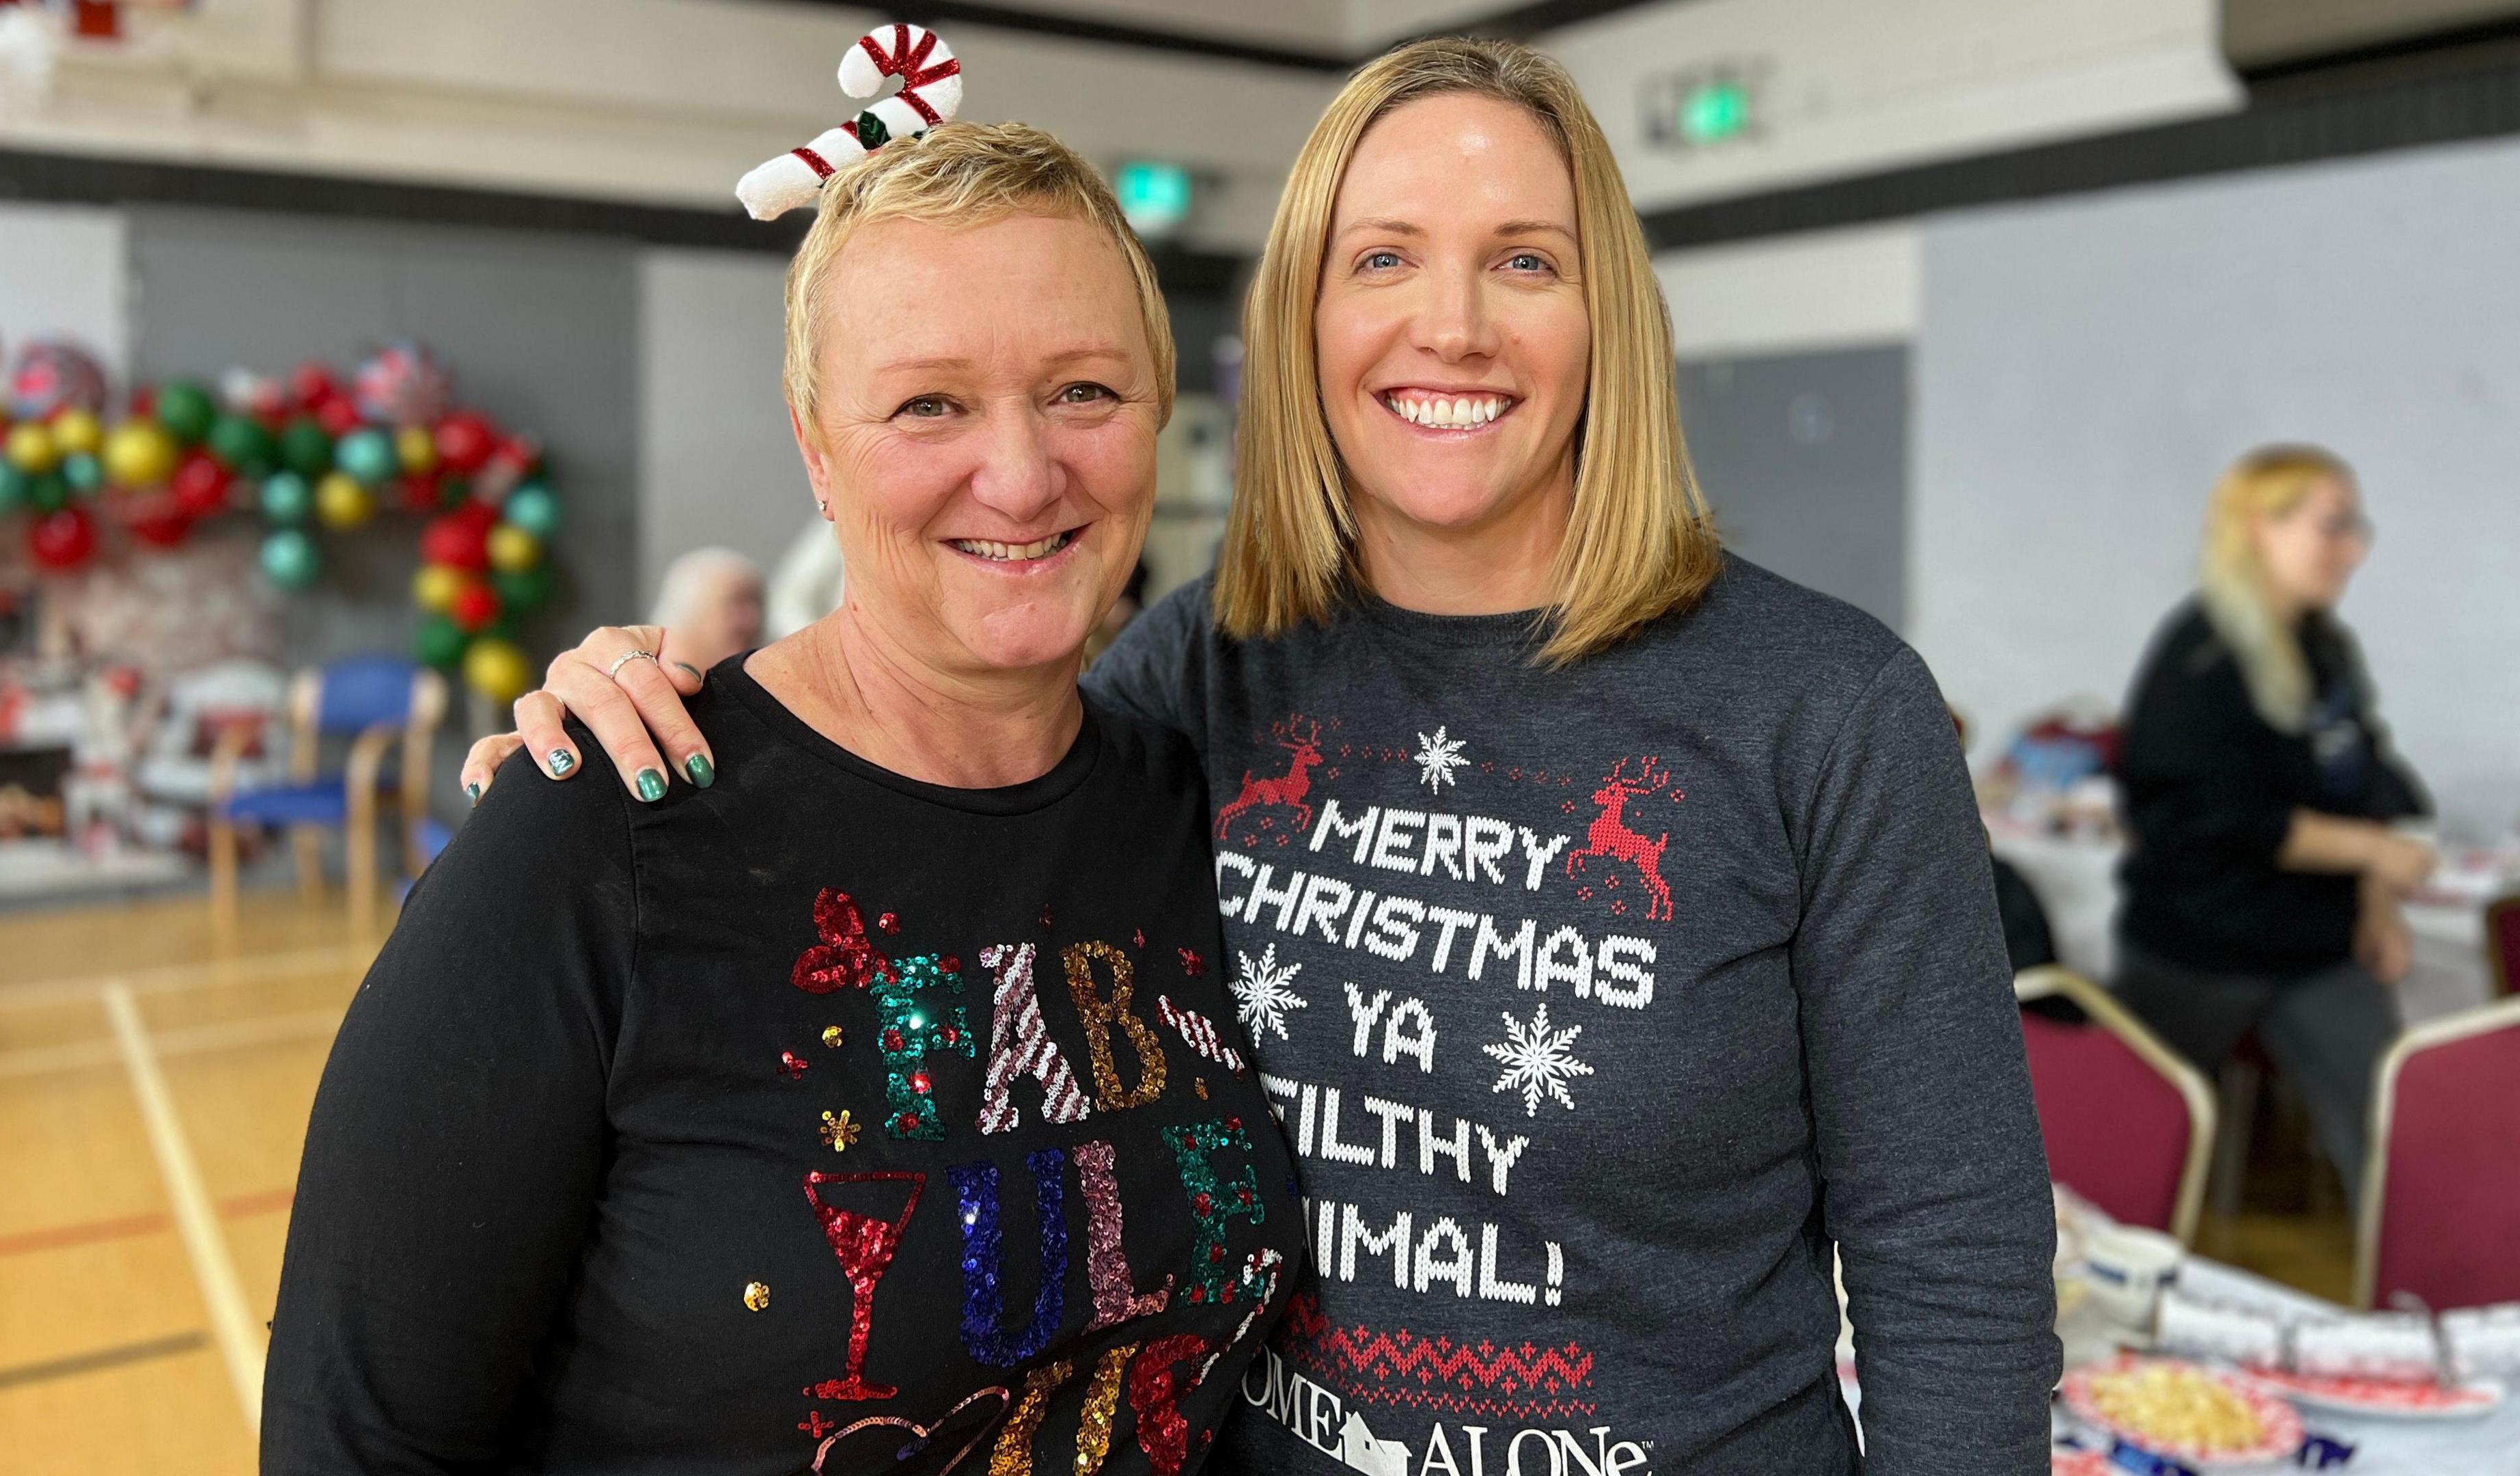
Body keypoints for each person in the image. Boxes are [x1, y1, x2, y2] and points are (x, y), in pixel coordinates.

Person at [467, 39, 2059, 1474]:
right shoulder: (1193, 673)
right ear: (1304, 314)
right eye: (1383, 258)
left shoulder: (1824, 709)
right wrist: (654, 721)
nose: (1451, 321)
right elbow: (905, 831)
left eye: (1524, 259)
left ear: (1607, 320)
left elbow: (1950, 1257)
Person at [263, 123, 1300, 1474]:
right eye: (929, 404)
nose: (1024, 472)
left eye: (1085, 391)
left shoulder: (1192, 800)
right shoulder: (606, 822)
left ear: (1159, 408)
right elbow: (358, 1437)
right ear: (819, 453)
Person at [2113, 445, 2431, 1205]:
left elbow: (2366, 778)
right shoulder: (2203, 654)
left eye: (2357, 527)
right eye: (2333, 527)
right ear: (2261, 528)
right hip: (2200, 950)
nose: (2352, 549)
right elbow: (2214, 817)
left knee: (2399, 1146)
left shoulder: (2325, 647)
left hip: (2316, 949)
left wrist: (2376, 899)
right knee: (2126, 1151)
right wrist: (2371, 851)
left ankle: (2426, 1306)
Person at [645, 545, 766, 679]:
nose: (752, 620)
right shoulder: (642, 679)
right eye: (736, 603)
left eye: (757, 604)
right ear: (688, 614)